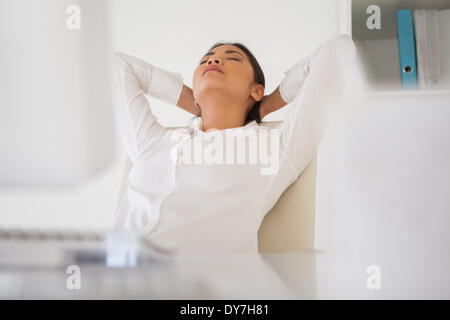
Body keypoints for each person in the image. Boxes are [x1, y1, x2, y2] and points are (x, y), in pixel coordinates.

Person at [111, 34, 355, 252]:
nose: (213, 61)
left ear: (256, 90)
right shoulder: (151, 142)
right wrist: (196, 101)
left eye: (233, 58)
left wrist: (266, 105)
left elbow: (337, 52)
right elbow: (119, 66)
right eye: (206, 59)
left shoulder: (272, 150)